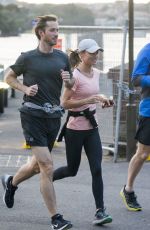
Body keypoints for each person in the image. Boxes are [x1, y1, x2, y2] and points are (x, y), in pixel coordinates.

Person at [1, 14, 74, 230]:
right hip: (32, 116)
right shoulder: (28, 58)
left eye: (58, 30)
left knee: (35, 165)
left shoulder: (62, 57)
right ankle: (56, 218)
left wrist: (69, 84)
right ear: (41, 33)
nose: (56, 33)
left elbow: (70, 86)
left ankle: (11, 183)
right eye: (52, 30)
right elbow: (8, 77)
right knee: (47, 165)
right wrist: (25, 89)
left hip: (53, 118)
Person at [53, 38, 114, 226]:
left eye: (98, 52)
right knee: (72, 170)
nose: (96, 56)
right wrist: (88, 100)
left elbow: (94, 95)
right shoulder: (74, 77)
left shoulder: (96, 73)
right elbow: (64, 103)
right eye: (92, 53)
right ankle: (45, 179)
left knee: (97, 169)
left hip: (91, 128)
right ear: (81, 54)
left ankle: (100, 211)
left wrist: (103, 99)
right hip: (75, 129)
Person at [120, 42, 150, 211]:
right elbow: (136, 78)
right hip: (149, 110)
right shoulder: (148, 50)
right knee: (143, 153)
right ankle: (128, 189)